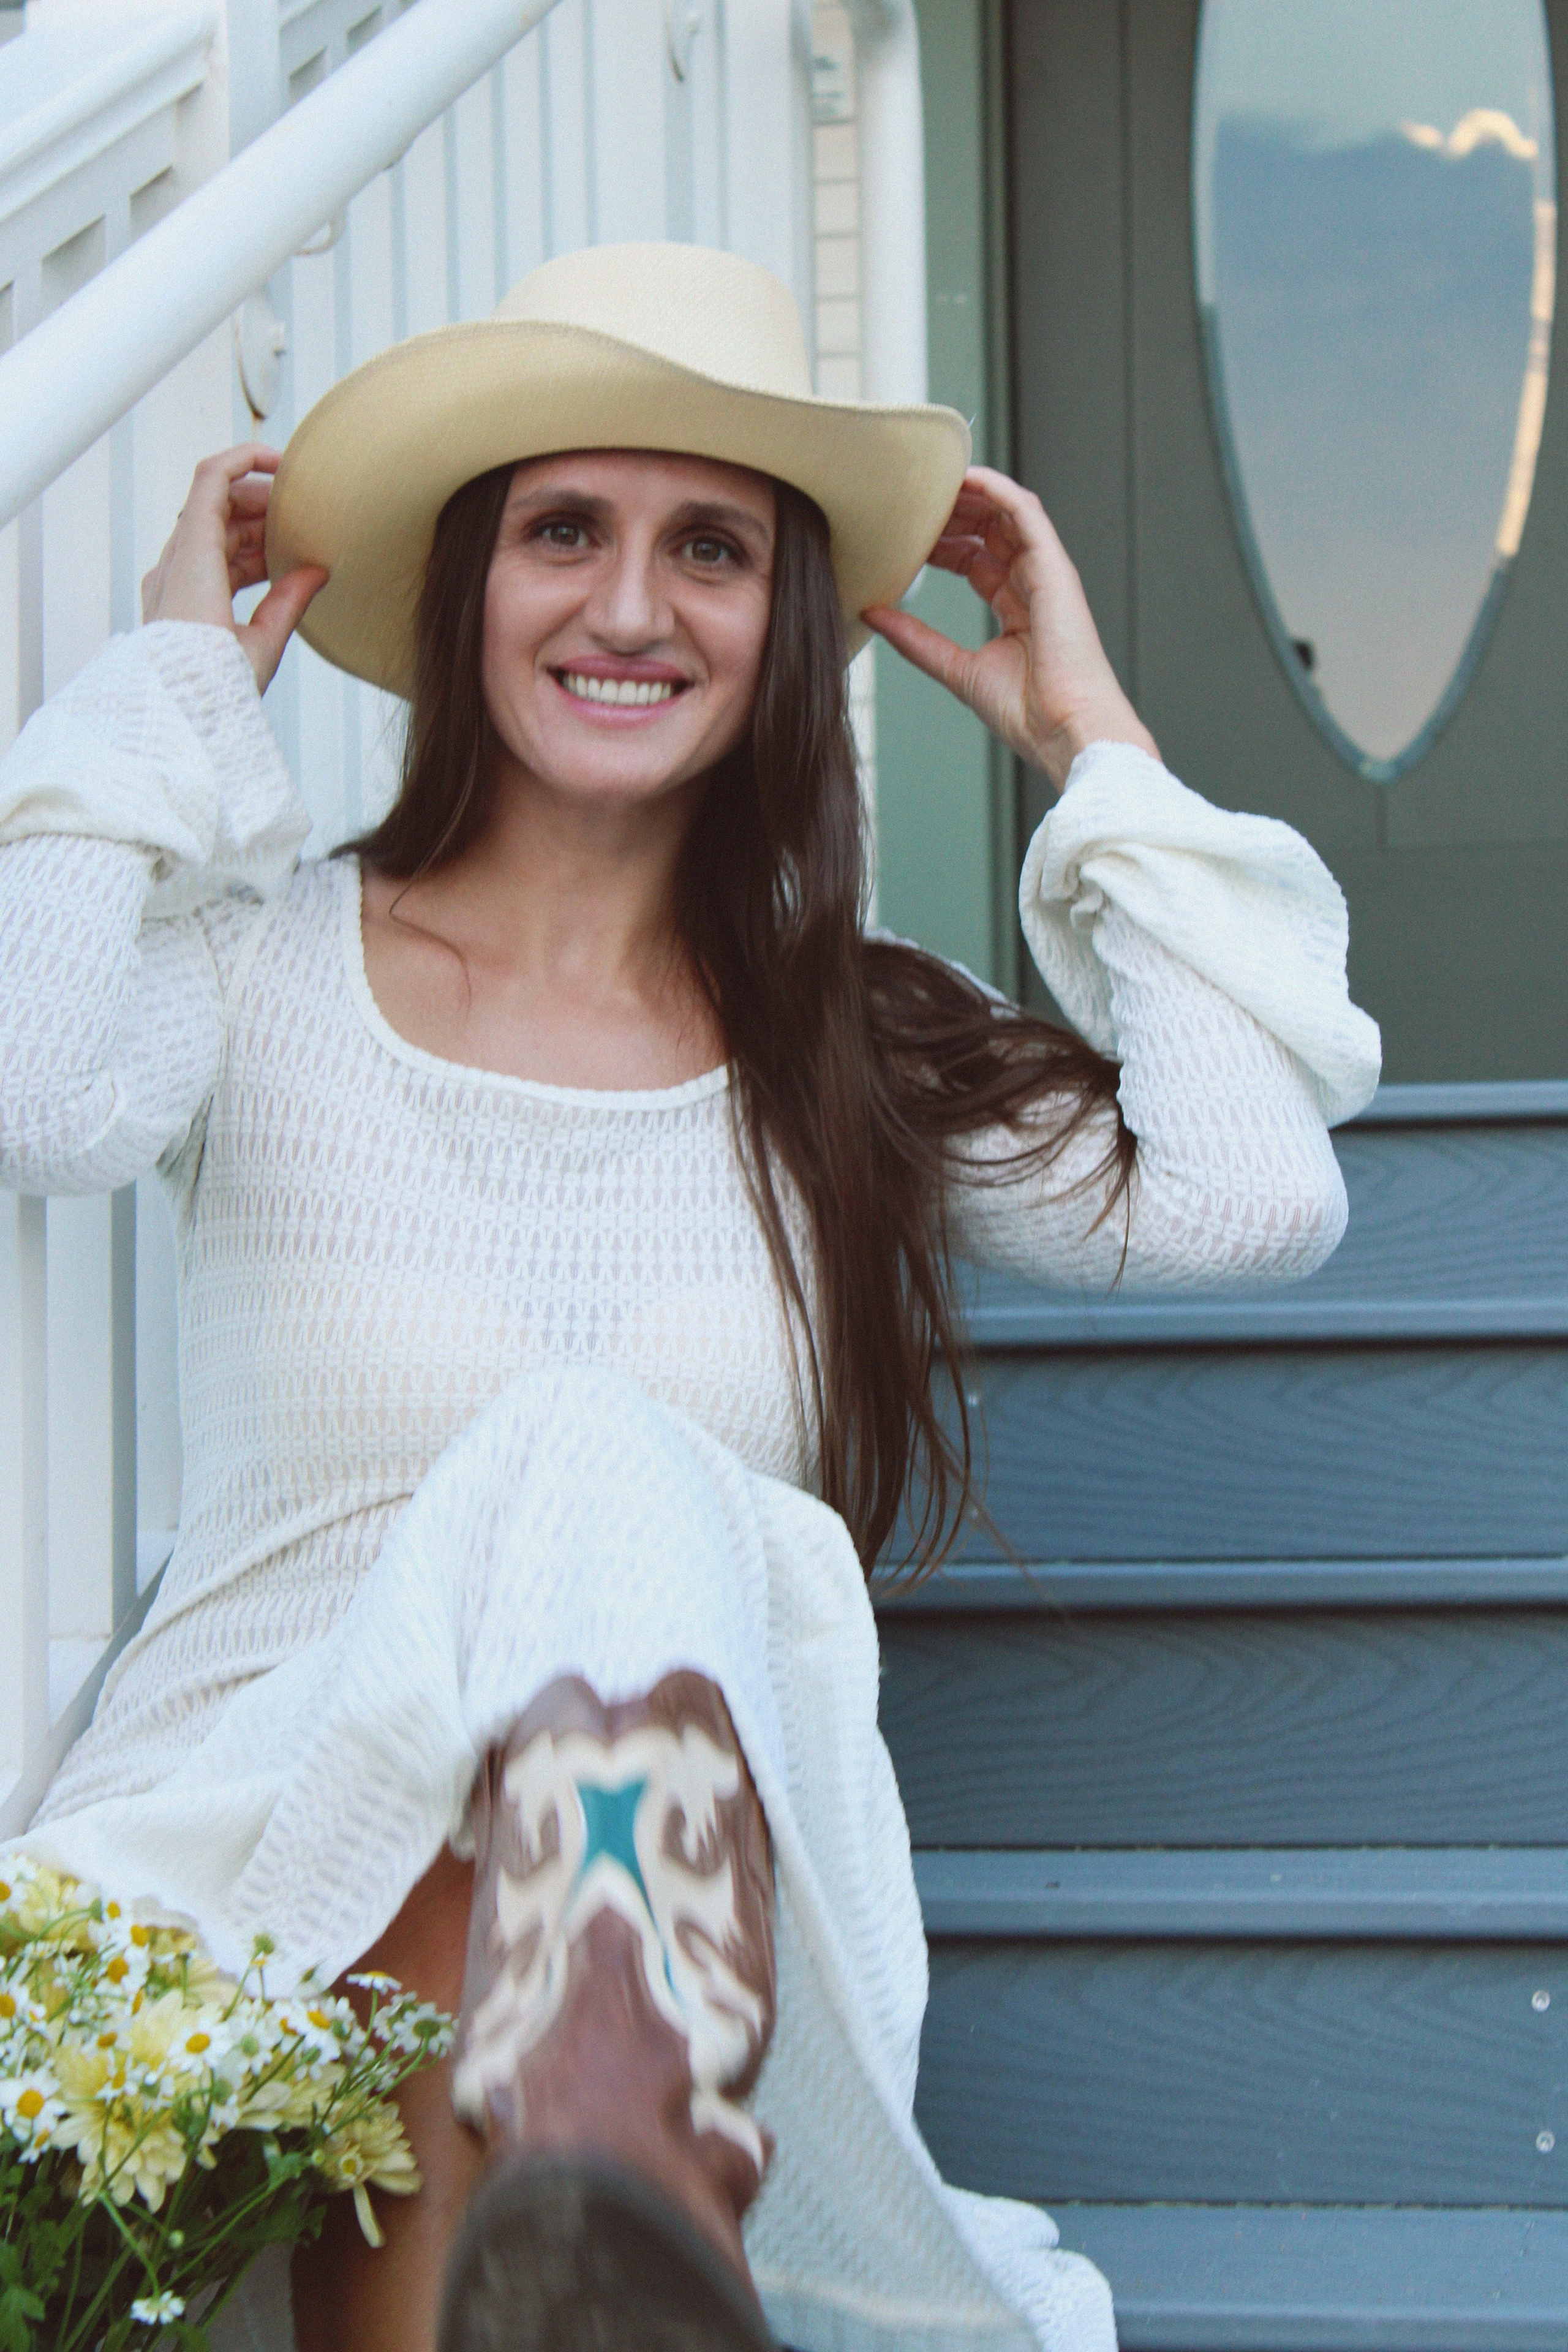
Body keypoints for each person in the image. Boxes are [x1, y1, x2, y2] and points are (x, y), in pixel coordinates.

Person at [0, 243, 1381, 2352]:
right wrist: (179, 686)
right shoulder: (262, 966)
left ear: (786, 624)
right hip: (262, 1878)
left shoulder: (854, 1039)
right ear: (467, 584)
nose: (633, 610)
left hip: (650, 1944)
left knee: (602, 1484)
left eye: (712, 551)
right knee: (564, 1477)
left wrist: (1091, 743)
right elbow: (32, 1075)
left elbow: (1245, 1199)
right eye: (567, 531)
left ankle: (609, 2103)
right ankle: (606, 2125)